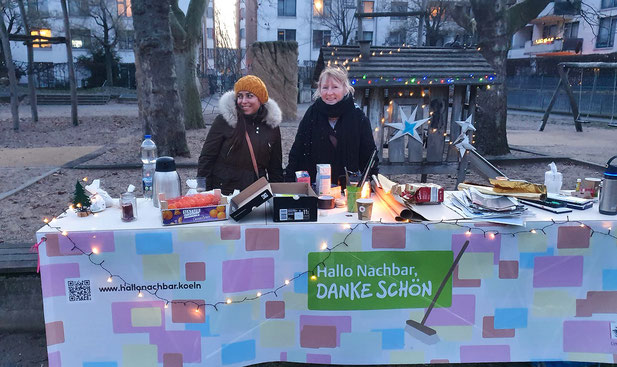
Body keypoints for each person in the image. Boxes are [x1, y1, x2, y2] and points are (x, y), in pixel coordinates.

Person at [284, 66, 378, 184]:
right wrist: (288, 181)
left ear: (345, 89)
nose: (329, 92)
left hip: (348, 187)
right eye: (325, 87)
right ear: (319, 89)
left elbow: (369, 154)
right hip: (315, 185)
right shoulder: (312, 114)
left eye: (335, 87)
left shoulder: (357, 116)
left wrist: (373, 181)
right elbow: (297, 150)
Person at [198, 75, 283, 195]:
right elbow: (207, 157)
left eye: (249, 96)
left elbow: (275, 167)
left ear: (260, 98)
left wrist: (277, 197)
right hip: (225, 191)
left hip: (256, 192)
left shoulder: (271, 125)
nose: (243, 101)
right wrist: (202, 190)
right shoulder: (225, 120)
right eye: (240, 96)